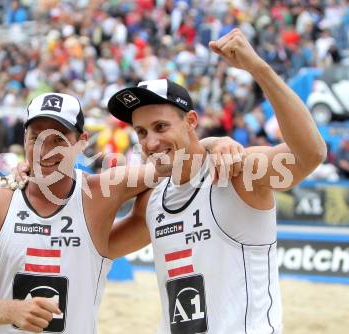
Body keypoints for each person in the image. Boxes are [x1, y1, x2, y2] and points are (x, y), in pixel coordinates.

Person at [0, 92, 243, 333]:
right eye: (35, 137)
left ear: (81, 142)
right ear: (25, 139)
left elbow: (172, 160)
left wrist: (213, 143)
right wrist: (12, 310)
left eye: (58, 139)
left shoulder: (100, 193)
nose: (44, 149)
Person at [105, 29, 327, 333]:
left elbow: (310, 154)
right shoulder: (155, 199)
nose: (151, 141)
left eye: (160, 126)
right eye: (141, 132)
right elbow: (97, 246)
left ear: (191, 121)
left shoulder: (236, 173)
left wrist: (258, 69)